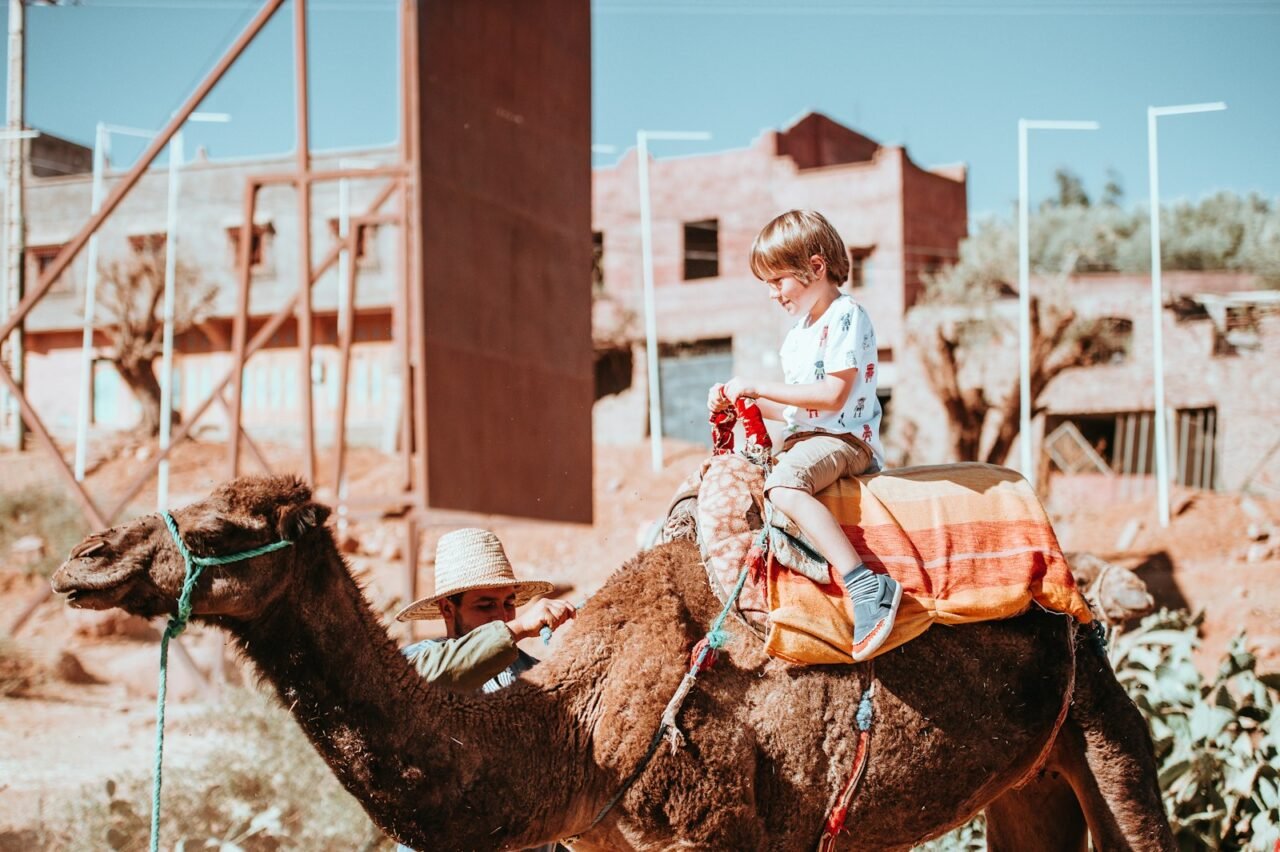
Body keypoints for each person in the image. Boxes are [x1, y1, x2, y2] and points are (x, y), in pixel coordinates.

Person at [709, 209, 901, 662]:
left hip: (843, 439)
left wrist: (756, 386)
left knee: (783, 485)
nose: (774, 294)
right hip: (807, 437)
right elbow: (796, 406)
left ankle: (864, 582)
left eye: (778, 281)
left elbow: (833, 396)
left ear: (815, 267)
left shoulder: (846, 315)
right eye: (768, 285)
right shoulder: (797, 335)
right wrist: (744, 406)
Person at [393, 527, 575, 852]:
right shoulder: (417, 664)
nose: (502, 616)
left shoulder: (536, 675)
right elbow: (426, 680)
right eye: (486, 606)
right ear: (448, 609)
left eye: (509, 604)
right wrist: (515, 629)